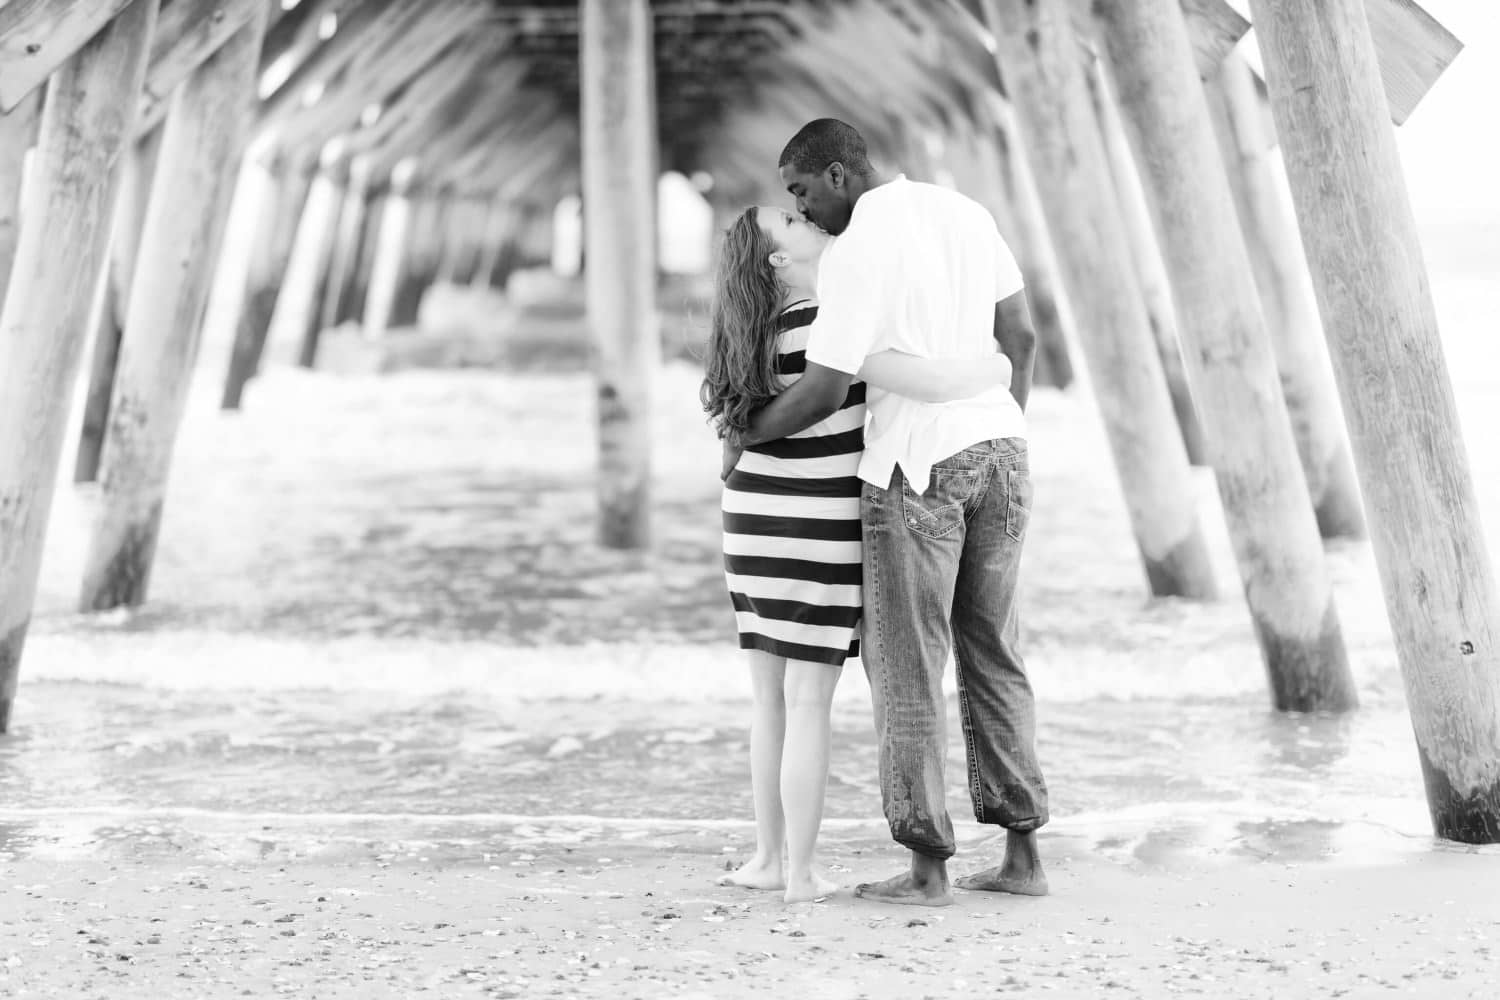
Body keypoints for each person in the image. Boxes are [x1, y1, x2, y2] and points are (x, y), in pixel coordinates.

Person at [731, 118, 1049, 907]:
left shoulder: (857, 249)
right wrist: (1002, 420)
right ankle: (1021, 859)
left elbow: (826, 386)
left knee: (908, 666)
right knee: (994, 651)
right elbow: (1023, 334)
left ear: (839, 175)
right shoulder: (964, 211)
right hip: (1003, 450)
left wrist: (747, 432)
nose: (802, 209)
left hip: (916, 466)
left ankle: (926, 869)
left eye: (801, 191)